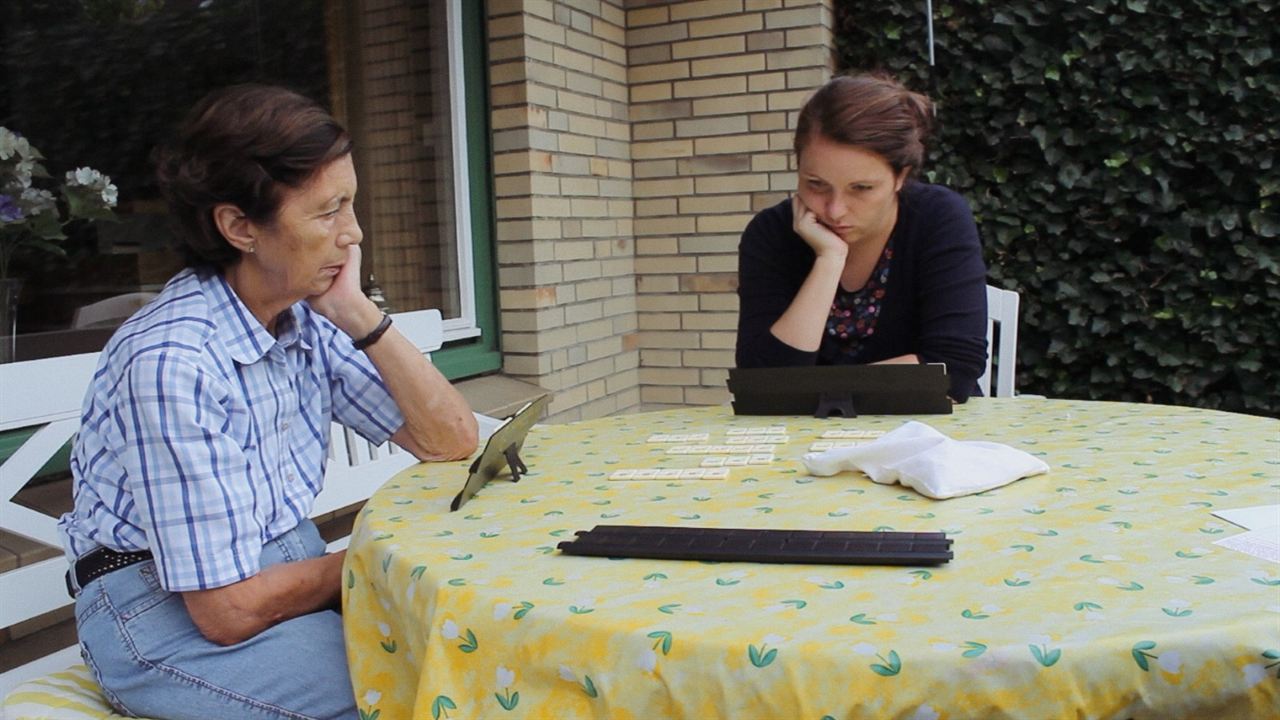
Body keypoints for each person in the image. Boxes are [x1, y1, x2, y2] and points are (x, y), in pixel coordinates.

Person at [56, 84, 479, 720]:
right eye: (328, 211)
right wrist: (382, 561)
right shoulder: (174, 363)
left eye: (351, 205)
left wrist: (357, 311)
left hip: (279, 576)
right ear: (239, 227)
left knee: (462, 651)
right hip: (161, 617)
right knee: (422, 689)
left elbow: (448, 440)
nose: (353, 233)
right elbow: (226, 611)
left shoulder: (299, 319)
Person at [735, 72, 988, 401]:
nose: (836, 209)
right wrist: (828, 261)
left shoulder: (937, 218)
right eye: (816, 184)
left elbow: (953, 369)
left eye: (862, 188)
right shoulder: (771, 234)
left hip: (927, 434)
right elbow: (762, 384)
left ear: (900, 177)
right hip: (808, 440)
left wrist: (813, 392)